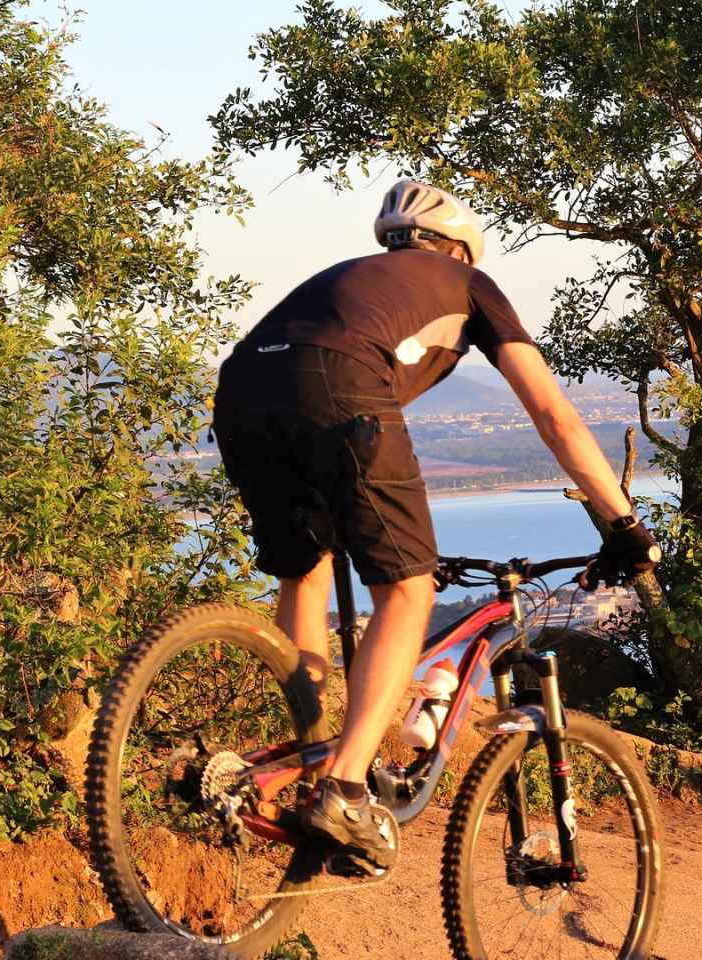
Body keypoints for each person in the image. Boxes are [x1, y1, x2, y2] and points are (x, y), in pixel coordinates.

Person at [212, 179, 660, 872]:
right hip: (337, 387)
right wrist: (622, 524)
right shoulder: (469, 283)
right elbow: (554, 414)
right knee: (408, 591)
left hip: (241, 390)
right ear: (458, 248)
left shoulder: (348, 278)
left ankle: (305, 760)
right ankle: (346, 786)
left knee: (305, 574)